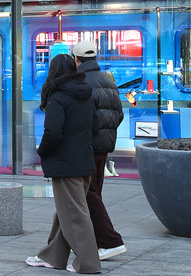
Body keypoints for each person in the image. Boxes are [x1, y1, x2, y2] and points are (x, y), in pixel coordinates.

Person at [27, 53, 101, 274]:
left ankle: (88, 263)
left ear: (53, 72)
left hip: (66, 165)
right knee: (66, 212)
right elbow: (95, 128)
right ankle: (53, 257)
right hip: (84, 162)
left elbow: (52, 133)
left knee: (75, 214)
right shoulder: (86, 95)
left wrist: (41, 152)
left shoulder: (57, 98)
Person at [73, 40, 127, 261]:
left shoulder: (81, 82)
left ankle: (111, 241)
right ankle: (96, 240)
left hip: (87, 145)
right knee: (95, 192)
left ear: (76, 59)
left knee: (89, 193)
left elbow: (82, 117)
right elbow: (119, 114)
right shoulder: (108, 81)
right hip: (105, 146)